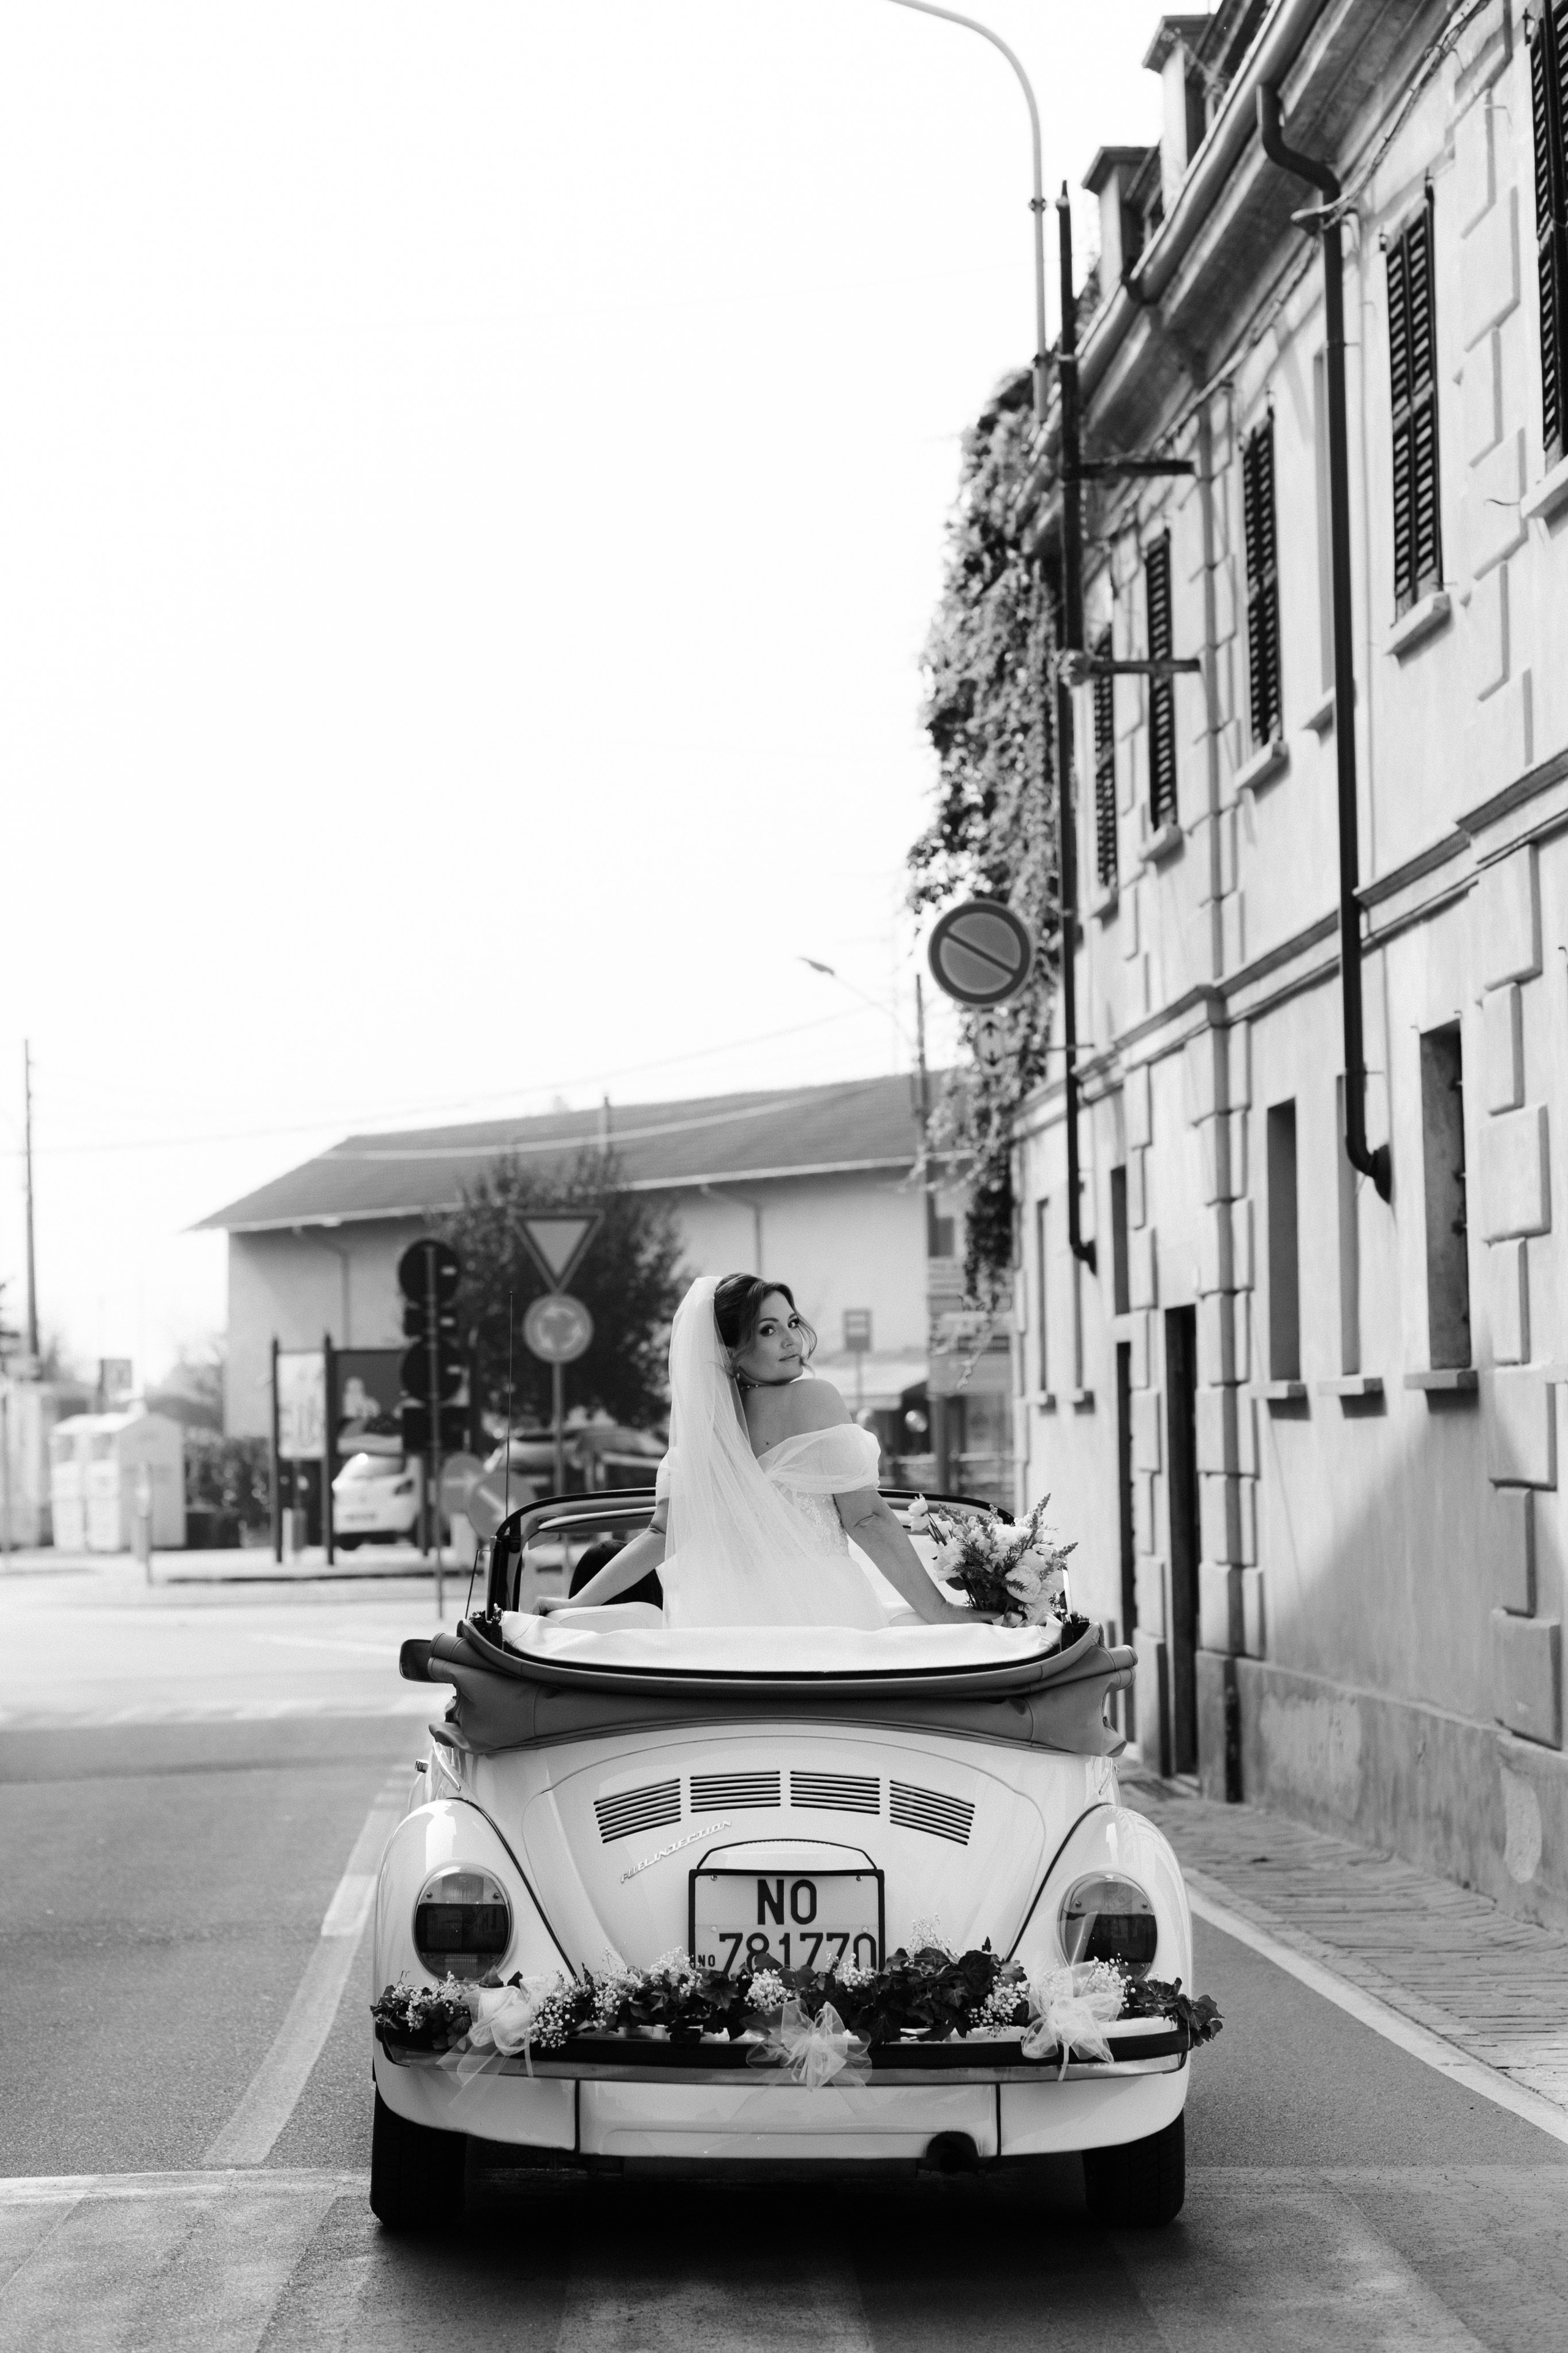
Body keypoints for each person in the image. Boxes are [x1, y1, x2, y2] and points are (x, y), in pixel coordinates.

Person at [535, 1273, 965, 1629]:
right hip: (820, 1610)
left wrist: (576, 1604)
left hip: (725, 1620)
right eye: (768, 1330)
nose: (791, 1339)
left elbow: (660, 1536)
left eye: (791, 1322)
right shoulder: (814, 1399)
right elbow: (867, 1518)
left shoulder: (705, 1435)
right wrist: (940, 1610)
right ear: (729, 1352)